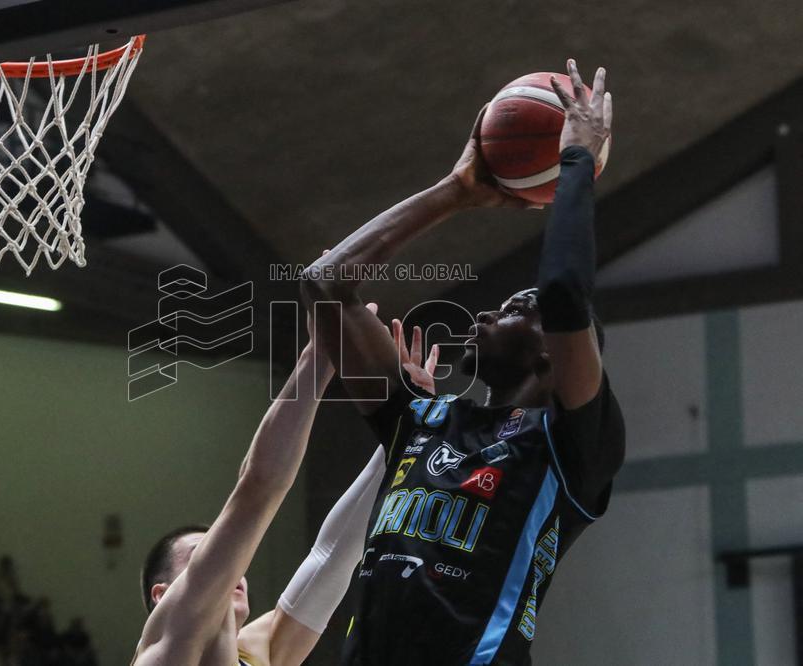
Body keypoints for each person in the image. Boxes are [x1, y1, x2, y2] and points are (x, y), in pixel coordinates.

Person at [300, 59, 625, 665]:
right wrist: (457, 190)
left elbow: (562, 293)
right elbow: (325, 282)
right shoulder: (422, 420)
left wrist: (578, 159)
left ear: (552, 353)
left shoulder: (572, 446)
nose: (486, 314)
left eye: (515, 309)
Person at [132, 307, 386, 666]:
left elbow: (334, 555)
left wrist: (404, 433)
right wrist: (317, 356)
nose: (229, 563)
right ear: (162, 595)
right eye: (201, 556)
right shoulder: (164, 653)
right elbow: (257, 488)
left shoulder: (258, 651)